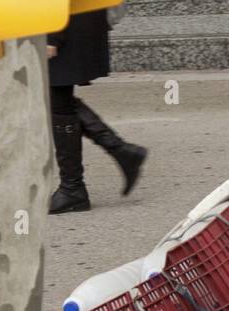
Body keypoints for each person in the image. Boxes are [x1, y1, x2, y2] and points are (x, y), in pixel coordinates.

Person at [48, 8, 146, 214]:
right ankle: (121, 152)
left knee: (56, 97)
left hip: (63, 20)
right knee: (55, 99)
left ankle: (73, 188)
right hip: (69, 18)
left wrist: (52, 35)